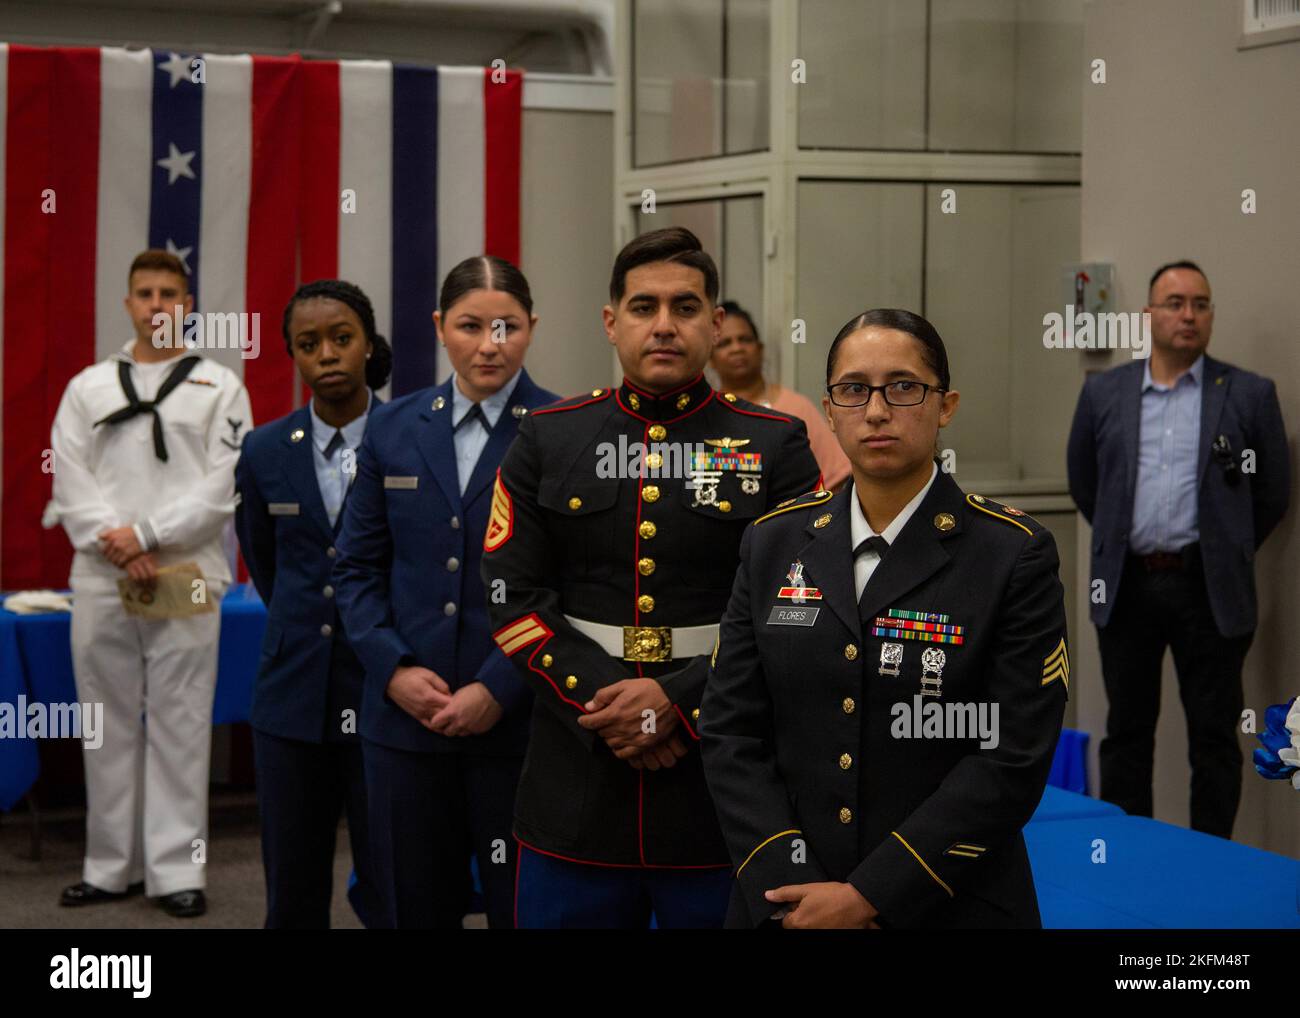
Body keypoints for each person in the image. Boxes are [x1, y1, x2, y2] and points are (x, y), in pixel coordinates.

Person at [482, 226, 821, 929]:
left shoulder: (775, 445)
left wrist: (679, 701)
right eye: (643, 307)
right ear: (612, 323)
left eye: (686, 307)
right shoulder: (550, 437)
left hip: (719, 788)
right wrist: (616, 706)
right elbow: (512, 598)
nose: (664, 325)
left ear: (716, 322)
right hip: (577, 779)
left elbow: (797, 608)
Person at [701, 308, 1068, 929]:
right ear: (829, 407)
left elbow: (1011, 755)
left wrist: (869, 894)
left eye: (903, 387)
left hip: (947, 897)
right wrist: (792, 885)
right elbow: (731, 731)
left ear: (945, 404)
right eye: (853, 390)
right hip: (786, 905)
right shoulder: (773, 542)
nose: (876, 411)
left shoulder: (1009, 552)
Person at [333, 256, 558, 929]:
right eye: (470, 325)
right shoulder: (393, 427)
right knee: (410, 903)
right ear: (439, 327)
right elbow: (356, 570)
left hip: (517, 725)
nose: (490, 344)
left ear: (531, 328)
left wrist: (498, 686)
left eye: (507, 326)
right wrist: (394, 669)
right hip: (405, 724)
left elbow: (568, 582)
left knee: (522, 907)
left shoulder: (566, 427)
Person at [47, 248, 253, 918]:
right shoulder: (89, 387)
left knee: (182, 719)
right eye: (146, 293)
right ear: (129, 303)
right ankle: (109, 868)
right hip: (105, 575)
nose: (158, 304)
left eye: (170, 293)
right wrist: (119, 538)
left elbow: (225, 484)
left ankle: (175, 873)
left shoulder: (220, 387)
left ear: (188, 307)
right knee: (105, 723)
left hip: (186, 572)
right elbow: (69, 477)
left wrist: (149, 534)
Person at [1067, 260, 1290, 838]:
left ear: (1210, 315)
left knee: (1214, 739)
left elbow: (1271, 494)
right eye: (1175, 303)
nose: (1188, 315)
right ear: (1149, 314)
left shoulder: (1249, 394)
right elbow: (1085, 482)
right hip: (1128, 585)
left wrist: (1225, 548)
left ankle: (1210, 860)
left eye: (1201, 304)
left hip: (1209, 590)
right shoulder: (1104, 393)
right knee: (1127, 734)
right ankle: (1126, 853)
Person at [235, 280, 391, 928]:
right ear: (294, 355)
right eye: (308, 344)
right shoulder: (264, 449)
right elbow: (265, 563)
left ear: (368, 345)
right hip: (293, 691)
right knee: (293, 885)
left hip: (388, 691)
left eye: (341, 338)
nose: (326, 354)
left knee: (393, 880)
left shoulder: (409, 435)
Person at [711, 300, 851, 490]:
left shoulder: (796, 408)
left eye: (745, 339)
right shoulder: (707, 414)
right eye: (725, 343)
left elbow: (835, 477)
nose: (737, 348)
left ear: (760, 349)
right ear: (710, 359)